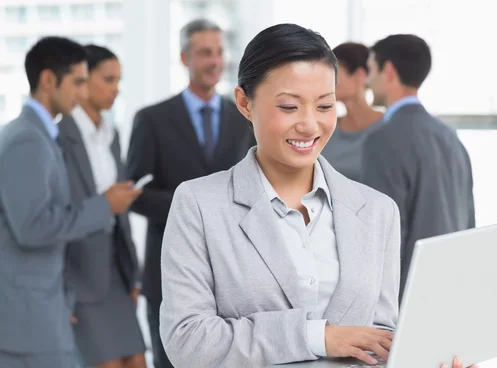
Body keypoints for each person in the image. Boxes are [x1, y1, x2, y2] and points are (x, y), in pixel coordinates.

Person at [159, 23, 477, 368]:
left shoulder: (377, 211)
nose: (310, 125)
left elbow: (380, 345)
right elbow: (187, 342)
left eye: (325, 106)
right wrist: (317, 337)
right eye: (289, 107)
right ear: (244, 103)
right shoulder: (199, 204)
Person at [0, 37, 141, 368]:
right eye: (77, 81)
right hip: (29, 314)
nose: (81, 92)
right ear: (48, 80)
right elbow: (33, 228)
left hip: (46, 305)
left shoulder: (37, 136)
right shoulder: (26, 139)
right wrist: (104, 206)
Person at [126, 18, 255, 368]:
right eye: (204, 53)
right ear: (185, 58)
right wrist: (198, 204)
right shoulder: (151, 119)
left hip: (236, 267)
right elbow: (135, 193)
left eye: (218, 52)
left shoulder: (244, 117)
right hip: (170, 268)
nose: (214, 61)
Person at [361, 34, 476, 303]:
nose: (367, 81)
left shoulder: (383, 140)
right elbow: (468, 221)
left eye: (371, 70)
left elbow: (383, 237)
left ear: (388, 71)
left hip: (404, 301)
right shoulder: (450, 137)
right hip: (450, 292)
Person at [58, 45, 147, 368]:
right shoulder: (57, 137)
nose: (116, 89)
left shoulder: (112, 134)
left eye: (118, 80)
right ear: (82, 81)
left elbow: (121, 220)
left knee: (138, 361)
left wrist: (131, 276)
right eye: (108, 79)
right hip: (78, 274)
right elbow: (55, 216)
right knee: (106, 364)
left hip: (115, 272)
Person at [321, 42, 383, 182]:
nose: (326, 81)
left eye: (334, 72)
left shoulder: (388, 129)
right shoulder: (327, 129)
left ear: (359, 75)